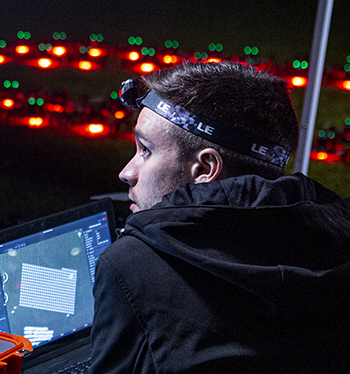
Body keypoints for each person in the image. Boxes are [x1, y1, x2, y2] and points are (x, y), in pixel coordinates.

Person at [90, 62, 350, 373]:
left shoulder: (131, 265)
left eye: (146, 150)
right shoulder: (336, 237)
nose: (127, 172)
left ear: (204, 169)